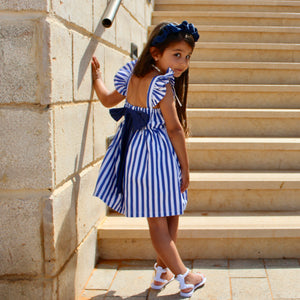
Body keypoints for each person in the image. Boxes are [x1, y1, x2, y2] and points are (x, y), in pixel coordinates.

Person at [92, 20, 206, 298]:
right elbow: (174, 128)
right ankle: (183, 275)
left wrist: (96, 78)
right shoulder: (162, 85)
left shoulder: (132, 74)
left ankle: (162, 271)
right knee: (159, 219)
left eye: (187, 56)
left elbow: (107, 100)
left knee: (169, 212)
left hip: (135, 152)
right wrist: (186, 168)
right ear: (156, 53)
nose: (182, 62)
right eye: (176, 54)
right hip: (156, 155)